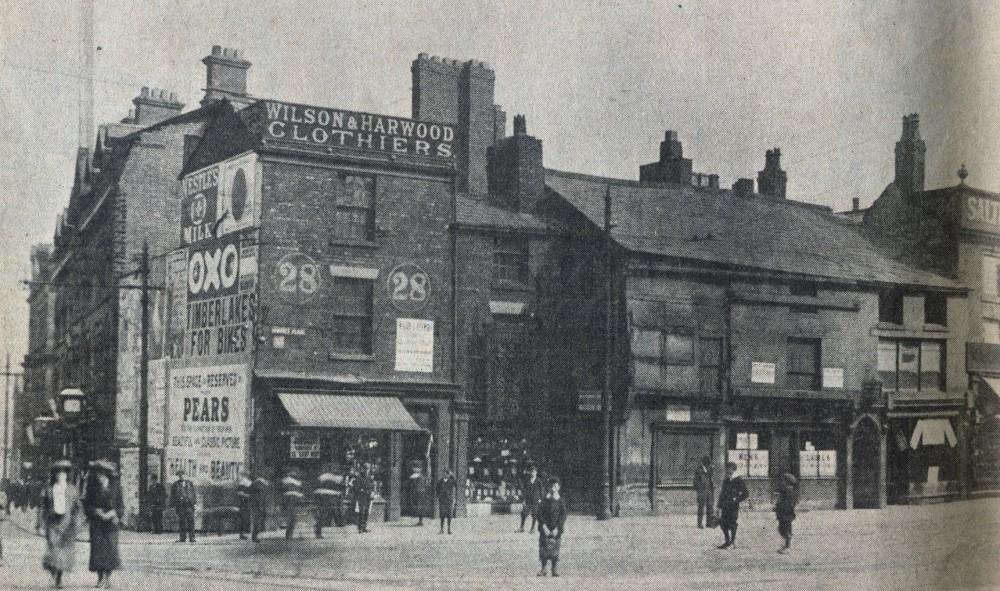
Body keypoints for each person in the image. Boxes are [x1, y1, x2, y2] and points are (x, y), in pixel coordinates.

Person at [36, 459, 82, 589]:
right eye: (59, 473)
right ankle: (53, 572)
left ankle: (59, 578)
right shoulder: (48, 489)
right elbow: (42, 507)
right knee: (53, 550)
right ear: (54, 475)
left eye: (64, 473)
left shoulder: (72, 490)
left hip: (66, 525)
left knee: (63, 553)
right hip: (52, 525)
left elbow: (78, 508)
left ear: (67, 475)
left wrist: (77, 523)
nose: (61, 476)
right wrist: (39, 523)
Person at [85, 460, 123, 588]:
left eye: (101, 474)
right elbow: (87, 506)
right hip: (97, 523)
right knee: (97, 551)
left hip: (111, 524)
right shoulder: (91, 488)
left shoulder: (116, 487)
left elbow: (121, 506)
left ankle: (108, 578)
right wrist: (95, 511)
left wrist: (114, 513)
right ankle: (100, 578)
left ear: (106, 475)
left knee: (111, 551)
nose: (98, 477)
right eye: (97, 474)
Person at [536, 477, 566, 577]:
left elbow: (563, 515)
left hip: (556, 529)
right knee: (544, 548)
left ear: (559, 487)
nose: (553, 488)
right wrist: (543, 526)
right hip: (545, 528)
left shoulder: (560, 500)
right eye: (551, 486)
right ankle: (543, 568)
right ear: (548, 488)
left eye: (555, 486)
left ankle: (554, 568)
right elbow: (540, 514)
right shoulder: (544, 500)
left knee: (555, 549)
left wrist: (558, 527)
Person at [716, 462, 749, 549]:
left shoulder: (739, 480)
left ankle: (733, 542)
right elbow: (722, 494)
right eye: (726, 469)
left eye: (729, 468)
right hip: (725, 506)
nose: (727, 470)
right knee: (723, 524)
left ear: (733, 469)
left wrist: (737, 499)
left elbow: (745, 494)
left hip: (733, 507)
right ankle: (727, 541)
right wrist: (718, 506)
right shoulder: (726, 480)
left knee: (732, 523)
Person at [170, 469, 197, 543]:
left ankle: (192, 538)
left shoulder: (190, 483)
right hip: (180, 506)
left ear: (186, 476)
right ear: (178, 476)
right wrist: (173, 505)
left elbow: (193, 494)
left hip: (189, 505)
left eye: (184, 475)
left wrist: (195, 504)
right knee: (182, 522)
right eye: (181, 475)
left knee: (191, 521)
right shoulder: (175, 484)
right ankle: (182, 538)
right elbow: (172, 496)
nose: (182, 477)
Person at [775, 472, 799, 553]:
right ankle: (785, 545)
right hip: (783, 513)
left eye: (783, 481)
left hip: (786, 513)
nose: (782, 482)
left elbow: (790, 503)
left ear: (787, 482)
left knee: (786, 530)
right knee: (782, 529)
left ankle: (787, 546)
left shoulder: (789, 491)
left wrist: (781, 506)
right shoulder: (785, 490)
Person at [313, 471, 341, 539]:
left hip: (323, 498)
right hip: (325, 499)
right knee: (322, 515)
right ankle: (318, 532)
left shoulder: (323, 478)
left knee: (321, 516)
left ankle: (318, 531)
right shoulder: (332, 479)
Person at [404, 459, 431, 527]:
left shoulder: (422, 476)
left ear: (420, 469)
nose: (415, 469)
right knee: (417, 507)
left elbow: (428, 473)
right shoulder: (413, 476)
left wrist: (428, 461)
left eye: (417, 468)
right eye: (414, 468)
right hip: (415, 494)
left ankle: (420, 520)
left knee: (420, 507)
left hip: (421, 494)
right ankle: (419, 520)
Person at [519, 464, 544, 533]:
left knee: (534, 514)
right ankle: (521, 527)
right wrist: (523, 500)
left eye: (534, 472)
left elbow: (541, 491)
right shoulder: (527, 481)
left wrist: (540, 499)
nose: (532, 473)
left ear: (536, 472)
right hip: (528, 500)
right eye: (531, 472)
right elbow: (524, 491)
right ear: (529, 473)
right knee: (524, 513)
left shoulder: (539, 481)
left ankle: (532, 528)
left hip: (536, 500)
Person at [694, 455, 715, 529]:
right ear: (705, 463)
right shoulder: (699, 470)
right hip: (702, 491)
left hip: (708, 490)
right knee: (701, 507)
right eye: (708, 464)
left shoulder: (709, 470)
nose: (709, 465)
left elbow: (710, 480)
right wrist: (700, 489)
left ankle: (709, 523)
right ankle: (699, 523)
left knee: (710, 506)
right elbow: (695, 482)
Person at [353, 464, 374, 534]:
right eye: (366, 468)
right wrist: (360, 490)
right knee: (361, 512)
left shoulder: (370, 477)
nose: (367, 470)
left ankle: (364, 527)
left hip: (368, 496)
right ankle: (360, 528)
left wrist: (372, 492)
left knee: (366, 512)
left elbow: (372, 486)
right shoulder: (359, 477)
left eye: (368, 469)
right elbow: (356, 487)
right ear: (363, 469)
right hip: (361, 496)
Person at [435, 469, 457, 535]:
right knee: (442, 515)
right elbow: (437, 489)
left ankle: (449, 529)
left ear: (448, 474)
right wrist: (439, 496)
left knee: (449, 515)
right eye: (444, 473)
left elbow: (456, 484)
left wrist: (452, 475)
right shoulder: (440, 482)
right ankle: (441, 529)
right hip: (442, 501)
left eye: (446, 474)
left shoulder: (451, 481)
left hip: (449, 500)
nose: (445, 475)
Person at [249, 476, 269, 542]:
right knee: (257, 521)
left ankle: (255, 536)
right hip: (258, 504)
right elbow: (261, 496)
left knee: (256, 521)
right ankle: (255, 536)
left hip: (256, 504)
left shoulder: (254, 483)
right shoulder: (260, 484)